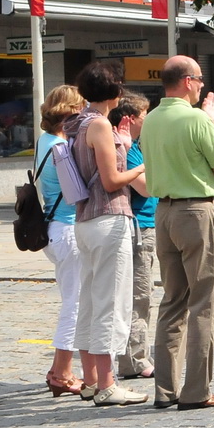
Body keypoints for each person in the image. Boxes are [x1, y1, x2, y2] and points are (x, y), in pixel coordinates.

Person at [144, 57, 214, 410]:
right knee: (205, 301)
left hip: (164, 212)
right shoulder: (197, 119)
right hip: (197, 210)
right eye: (199, 79)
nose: (202, 84)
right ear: (187, 81)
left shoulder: (151, 118)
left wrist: (207, 121)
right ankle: (197, 390)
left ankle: (164, 388)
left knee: (172, 301)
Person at [65, 62, 148, 406]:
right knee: (111, 304)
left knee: (90, 301)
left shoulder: (78, 123)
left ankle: (91, 380)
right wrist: (141, 165)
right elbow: (112, 180)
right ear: (113, 92)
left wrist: (123, 144)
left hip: (85, 219)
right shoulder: (99, 123)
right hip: (108, 216)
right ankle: (107, 385)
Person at [36, 85, 86, 397]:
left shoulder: (44, 141)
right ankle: (64, 372)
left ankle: (57, 368)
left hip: (52, 227)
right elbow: (76, 192)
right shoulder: (61, 148)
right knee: (75, 304)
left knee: (71, 298)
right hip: (68, 228)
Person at [112, 94, 157, 381]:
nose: (148, 119)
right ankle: (134, 360)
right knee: (139, 295)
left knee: (142, 295)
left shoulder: (137, 146)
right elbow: (146, 187)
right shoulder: (128, 149)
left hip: (145, 225)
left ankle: (136, 356)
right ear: (130, 118)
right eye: (144, 114)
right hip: (138, 227)